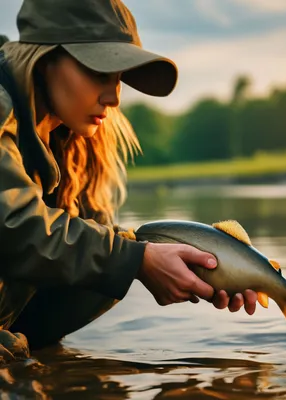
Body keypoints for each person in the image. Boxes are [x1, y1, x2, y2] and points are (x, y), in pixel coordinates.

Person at [0, 0, 258, 359]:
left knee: (111, 262)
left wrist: (214, 271)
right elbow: (14, 227)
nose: (114, 97)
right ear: (45, 61)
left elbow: (93, 244)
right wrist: (134, 259)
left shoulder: (68, 136)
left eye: (119, 78)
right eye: (99, 73)